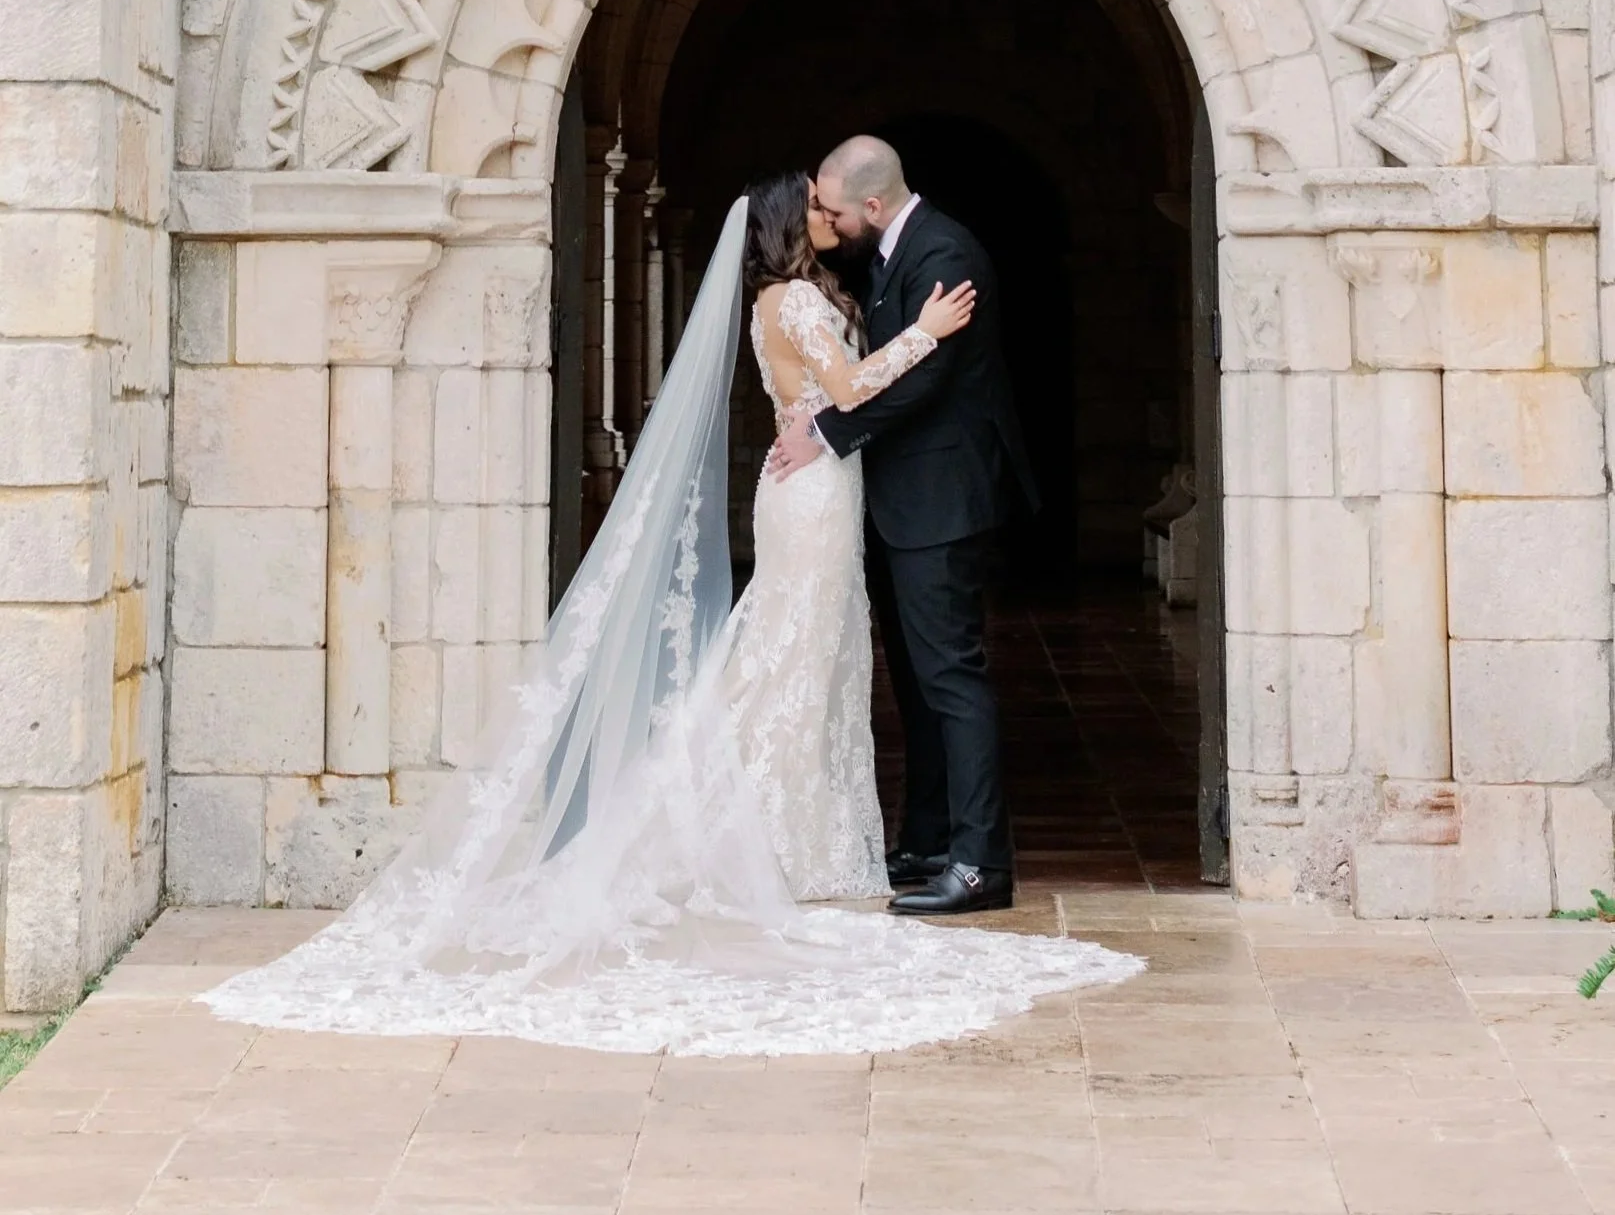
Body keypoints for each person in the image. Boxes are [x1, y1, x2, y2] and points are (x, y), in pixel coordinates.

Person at [202, 182, 1135, 1056]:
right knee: (788, 660)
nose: (824, 213)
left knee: (812, 662)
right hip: (812, 501)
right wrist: (925, 332)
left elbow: (827, 396)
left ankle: (798, 837)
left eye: (828, 197)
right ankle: (753, 838)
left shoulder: (793, 299)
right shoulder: (794, 304)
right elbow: (849, 394)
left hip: (821, 490)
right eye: (810, 204)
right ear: (783, 222)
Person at [770, 136, 1036, 915]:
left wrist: (825, 434)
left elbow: (925, 380)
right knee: (919, 682)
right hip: (902, 497)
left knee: (951, 676)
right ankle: (927, 840)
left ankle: (980, 863)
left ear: (873, 206)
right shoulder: (891, 253)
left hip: (941, 497)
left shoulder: (943, 252)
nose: (825, 217)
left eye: (832, 207)